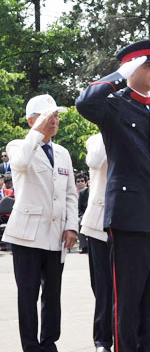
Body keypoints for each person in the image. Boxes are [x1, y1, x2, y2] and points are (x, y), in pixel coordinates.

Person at [75, 39, 150, 352]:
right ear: (132, 68)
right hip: (130, 217)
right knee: (128, 302)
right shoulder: (114, 104)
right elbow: (85, 102)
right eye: (148, 65)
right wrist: (118, 75)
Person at [2, 94, 78, 352]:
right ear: (31, 120)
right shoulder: (18, 145)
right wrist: (36, 132)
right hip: (27, 234)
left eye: (56, 116)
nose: (54, 121)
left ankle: (48, 342)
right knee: (28, 294)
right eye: (48, 116)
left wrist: (71, 225)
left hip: (56, 234)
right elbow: (21, 163)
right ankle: (30, 345)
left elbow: (70, 193)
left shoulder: (62, 152)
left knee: (52, 294)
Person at [80, 133, 112, 352]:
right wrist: (107, 123)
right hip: (99, 224)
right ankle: (102, 340)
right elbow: (95, 160)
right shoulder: (96, 139)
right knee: (102, 287)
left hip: (132, 222)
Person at [76, 172, 89, 254]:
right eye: (78, 181)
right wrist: (81, 216)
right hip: (84, 214)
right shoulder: (82, 193)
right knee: (79, 222)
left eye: (82, 181)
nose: (80, 183)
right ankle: (84, 247)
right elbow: (80, 208)